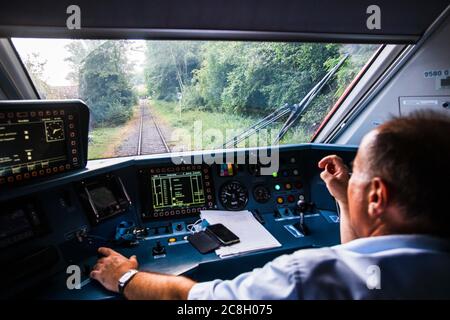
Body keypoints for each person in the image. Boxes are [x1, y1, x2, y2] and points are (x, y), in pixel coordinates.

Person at [90, 111, 450, 299]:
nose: (349, 179)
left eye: (357, 174)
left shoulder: (307, 277)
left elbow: (187, 297)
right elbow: (367, 257)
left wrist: (123, 276)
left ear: (376, 197)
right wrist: (343, 197)